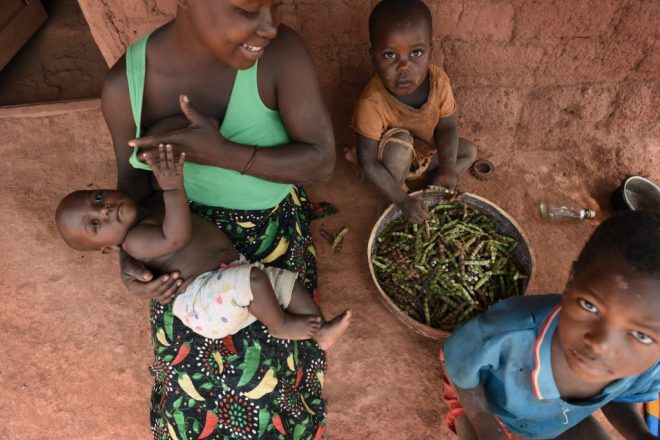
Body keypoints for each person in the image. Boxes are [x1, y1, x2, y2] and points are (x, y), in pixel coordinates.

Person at [100, 1, 336, 438]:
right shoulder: (125, 87)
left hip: (268, 223)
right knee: (192, 395)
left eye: (276, 5)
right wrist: (129, 262)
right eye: (247, 8)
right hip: (180, 247)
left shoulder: (279, 55)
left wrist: (224, 154)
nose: (268, 25)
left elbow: (320, 163)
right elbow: (130, 185)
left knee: (274, 383)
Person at [55, 144, 351, 347]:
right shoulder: (134, 242)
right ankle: (280, 325)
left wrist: (161, 175)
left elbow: (164, 202)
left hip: (222, 278)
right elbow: (177, 237)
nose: (104, 210)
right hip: (203, 300)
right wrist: (172, 186)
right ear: (109, 249)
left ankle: (321, 332)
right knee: (254, 279)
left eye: (96, 200)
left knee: (284, 283)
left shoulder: (146, 208)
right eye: (95, 225)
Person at [442, 210, 660, 439]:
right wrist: (486, 426)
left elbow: (621, 395)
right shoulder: (504, 332)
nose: (600, 344)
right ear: (571, 281)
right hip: (485, 404)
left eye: (641, 335)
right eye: (590, 306)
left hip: (558, 419)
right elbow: (459, 368)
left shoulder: (648, 365)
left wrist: (639, 433)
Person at [347, 0, 477, 224]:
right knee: (400, 144)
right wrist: (401, 200)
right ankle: (394, 200)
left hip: (424, 155)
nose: (404, 67)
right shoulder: (372, 102)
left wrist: (447, 168)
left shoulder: (438, 81)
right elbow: (367, 163)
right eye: (390, 56)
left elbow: (448, 127)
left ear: (430, 53)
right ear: (372, 56)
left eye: (416, 53)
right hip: (390, 168)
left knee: (468, 151)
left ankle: (434, 185)